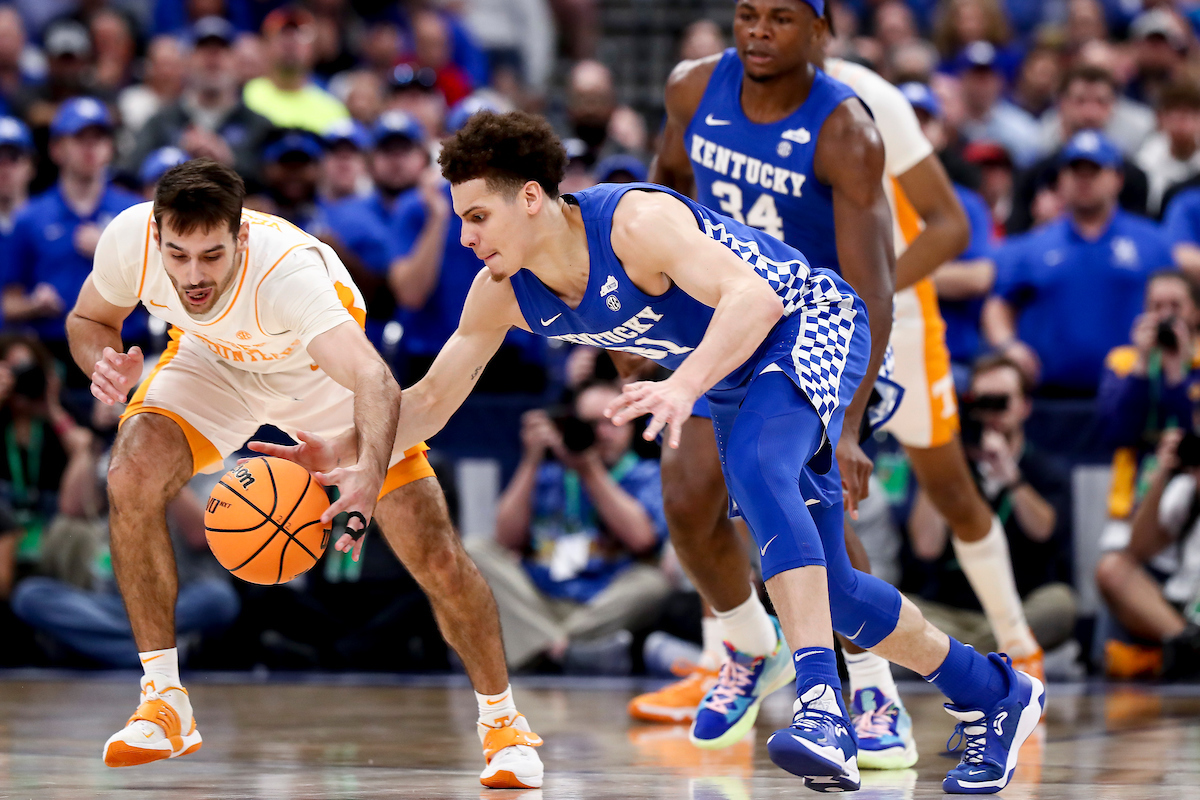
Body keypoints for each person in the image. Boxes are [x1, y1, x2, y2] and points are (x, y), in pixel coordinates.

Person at [264, 108, 1044, 793]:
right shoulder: (502, 290)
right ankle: (994, 692)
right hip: (737, 366)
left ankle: (819, 706)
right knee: (828, 590)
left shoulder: (632, 223)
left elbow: (757, 297)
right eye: (461, 220)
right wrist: (349, 446)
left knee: (760, 476)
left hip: (808, 321)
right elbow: (430, 401)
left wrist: (683, 385)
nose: (466, 238)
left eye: (477, 217)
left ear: (531, 199)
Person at [626, 1, 1042, 773]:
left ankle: (870, 688)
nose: (757, 32)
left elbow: (874, 291)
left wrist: (847, 426)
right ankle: (753, 648)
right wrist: (648, 322)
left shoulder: (847, 129)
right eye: (747, 14)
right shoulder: (692, 90)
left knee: (802, 503)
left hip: (821, 326)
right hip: (728, 316)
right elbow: (660, 197)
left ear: (820, 33)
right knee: (687, 501)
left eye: (780, 19)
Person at [64, 159, 544, 789]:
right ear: (156, 238)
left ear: (240, 238)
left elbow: (373, 377)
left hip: (320, 382)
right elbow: (87, 318)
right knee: (129, 470)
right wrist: (101, 364)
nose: (193, 276)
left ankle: (504, 727)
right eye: (178, 256)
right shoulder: (130, 239)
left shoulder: (288, 275)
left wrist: (367, 478)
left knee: (435, 555)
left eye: (212, 256)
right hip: (213, 365)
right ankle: (164, 700)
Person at [466, 381, 671, 673]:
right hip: (538, 601)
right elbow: (505, 539)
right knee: (475, 549)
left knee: (654, 583)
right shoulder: (549, 474)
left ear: (631, 427)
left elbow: (642, 540)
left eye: (614, 422)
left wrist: (590, 470)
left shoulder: (644, 474)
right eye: (591, 424)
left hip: (600, 602)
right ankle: (569, 650)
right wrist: (531, 459)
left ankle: (542, 647)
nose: (603, 433)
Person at [907, 354, 1076, 656]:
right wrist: (940, 467)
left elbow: (1045, 531)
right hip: (953, 610)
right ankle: (999, 655)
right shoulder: (951, 465)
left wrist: (1012, 478)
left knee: (1060, 604)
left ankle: (956, 659)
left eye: (1002, 402)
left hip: (1020, 607)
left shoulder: (1044, 470)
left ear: (1025, 406)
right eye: (982, 402)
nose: (991, 413)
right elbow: (926, 546)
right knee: (900, 608)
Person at [983, 130, 1173, 397]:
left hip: (1133, 394)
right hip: (1048, 397)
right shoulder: (1031, 246)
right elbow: (998, 304)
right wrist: (1008, 345)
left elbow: (1180, 305)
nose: (1084, 181)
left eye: (1094, 172)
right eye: (1075, 172)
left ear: (1117, 179)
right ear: (1061, 180)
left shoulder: (1153, 243)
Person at [1, 98, 142, 381]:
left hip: (126, 350)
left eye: (99, 138)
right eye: (79, 139)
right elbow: (9, 302)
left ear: (110, 147)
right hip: (53, 355)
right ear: (57, 149)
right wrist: (33, 304)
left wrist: (109, 251)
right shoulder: (30, 218)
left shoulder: (135, 212)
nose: (90, 147)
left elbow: (162, 290)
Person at [122, 17, 276, 190]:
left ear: (237, 62)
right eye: (203, 49)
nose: (213, 58)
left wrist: (230, 161)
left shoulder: (258, 125)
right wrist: (179, 157)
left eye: (222, 50)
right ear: (186, 62)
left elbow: (277, 186)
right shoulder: (161, 122)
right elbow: (131, 175)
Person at [1095, 428, 1200, 681]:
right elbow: (1139, 549)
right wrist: (1161, 475)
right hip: (1186, 611)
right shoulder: (1186, 489)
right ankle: (1190, 647)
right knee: (1113, 568)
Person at [1010, 65, 1151, 235]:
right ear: (1061, 104)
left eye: (1101, 102)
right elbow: (1013, 244)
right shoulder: (1033, 175)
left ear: (1113, 107)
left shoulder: (1132, 177)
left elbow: (1143, 243)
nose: (1090, 113)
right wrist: (1041, 224)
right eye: (1080, 101)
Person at [242, 6, 349, 134]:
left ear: (312, 49)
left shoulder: (333, 110)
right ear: (265, 46)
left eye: (300, 36)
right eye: (282, 35)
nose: (290, 43)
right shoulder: (245, 96)